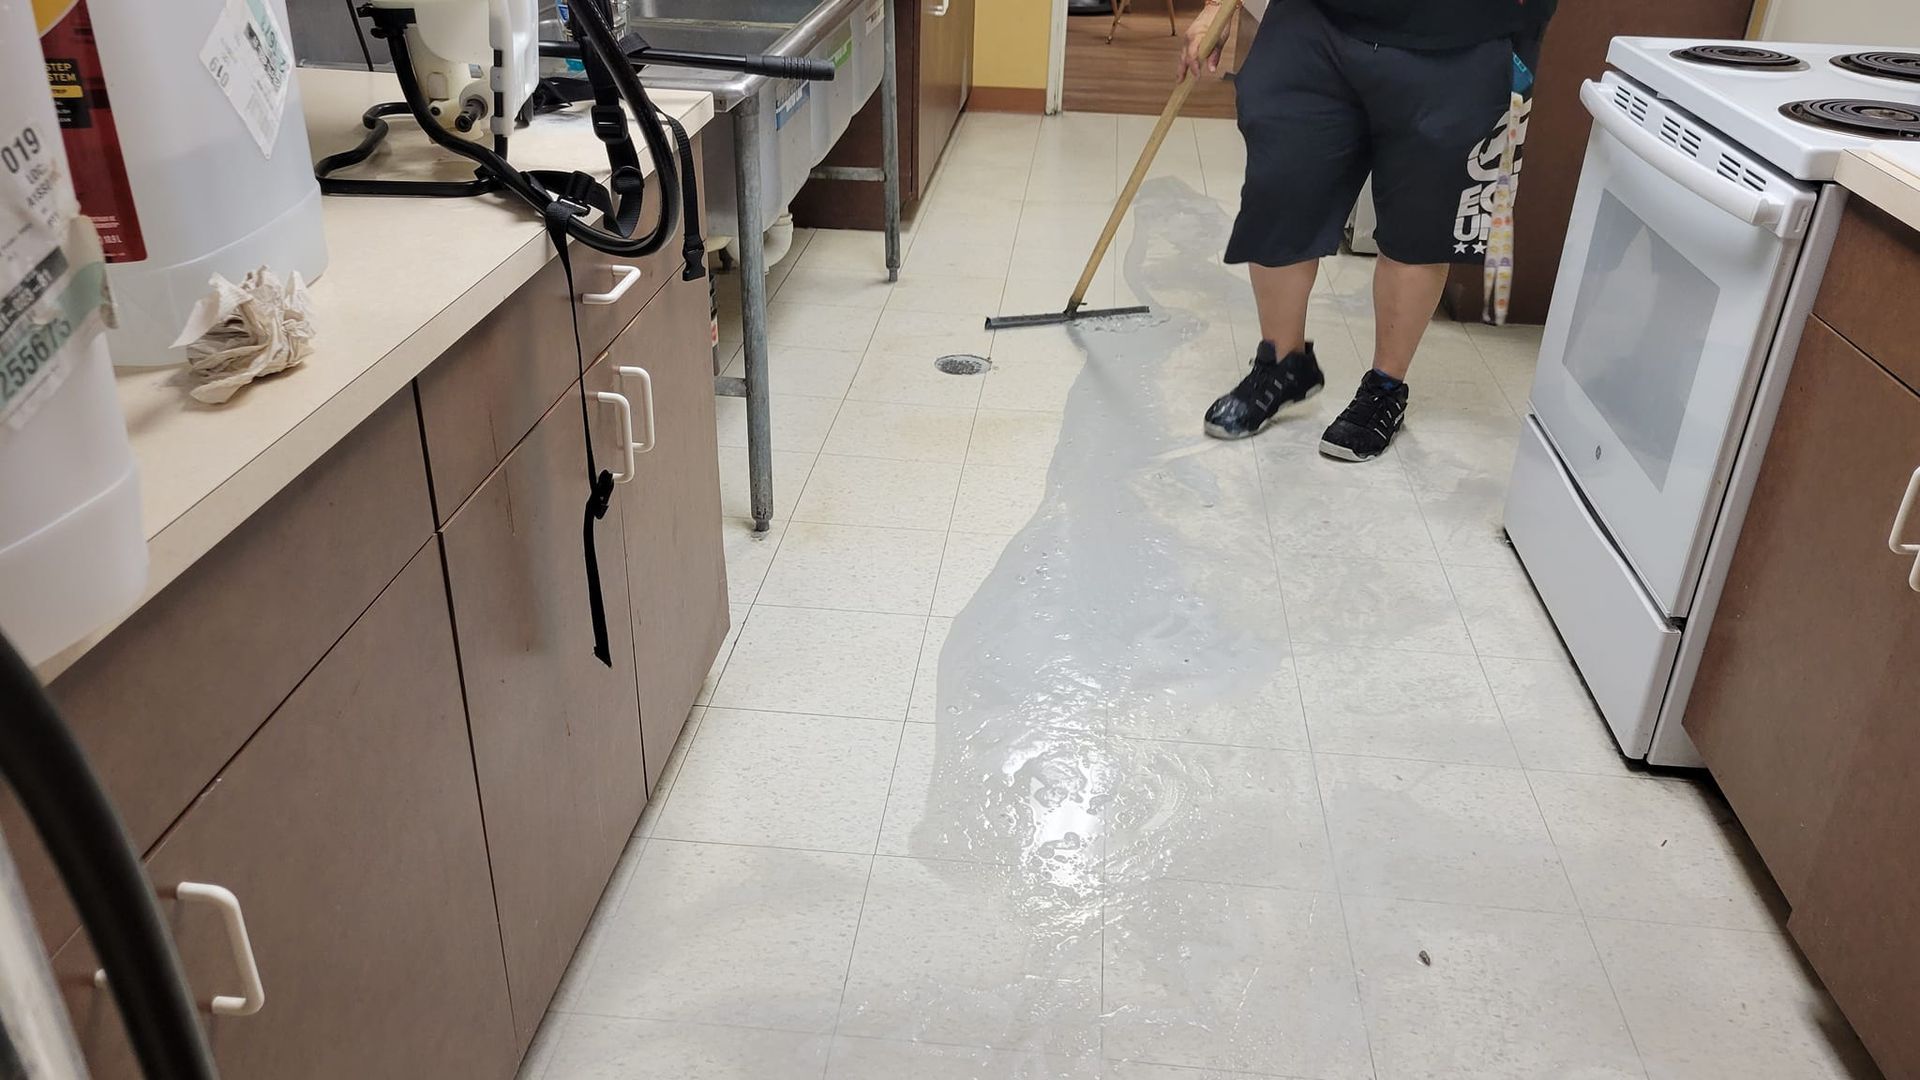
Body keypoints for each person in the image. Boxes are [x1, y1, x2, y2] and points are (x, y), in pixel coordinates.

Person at [1183, 0, 1554, 459]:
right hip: (1315, 21)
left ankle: (1385, 388)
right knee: (1281, 188)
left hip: (1463, 38)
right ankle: (1282, 365)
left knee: (1422, 224)